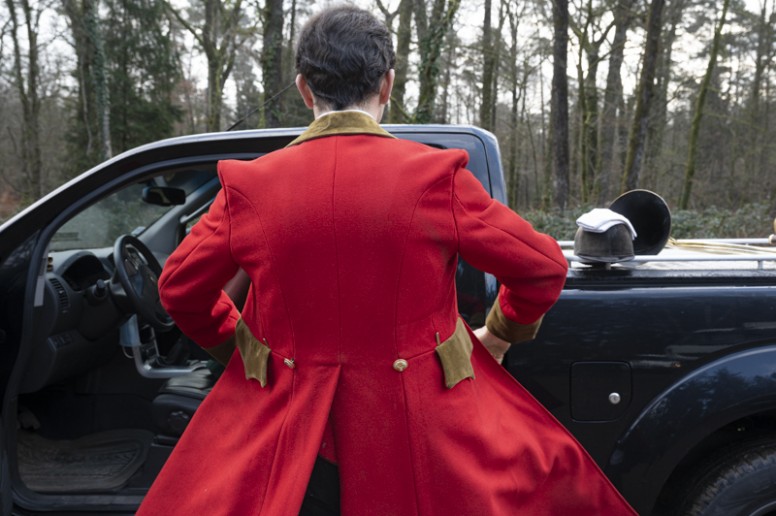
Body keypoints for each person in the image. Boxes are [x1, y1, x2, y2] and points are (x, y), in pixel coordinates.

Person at [138, 5, 635, 515]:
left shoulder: (250, 186)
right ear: (388, 84)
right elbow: (543, 266)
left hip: (288, 435)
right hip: (424, 434)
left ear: (305, 89)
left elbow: (179, 289)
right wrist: (501, 333)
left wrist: (248, 352)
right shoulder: (432, 178)